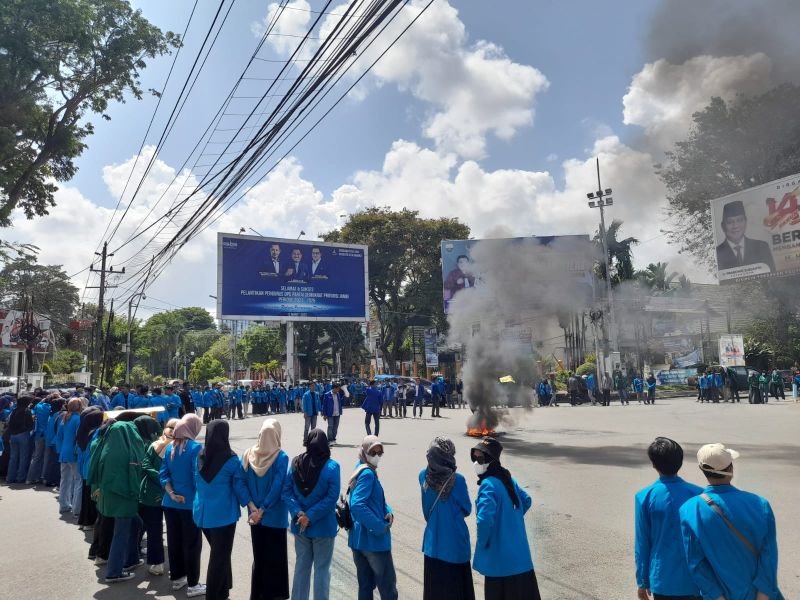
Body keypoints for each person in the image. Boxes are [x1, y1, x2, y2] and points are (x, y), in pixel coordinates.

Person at [679, 443, 783, 599]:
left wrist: (716, 595)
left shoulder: (689, 510)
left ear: (703, 471)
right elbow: (769, 553)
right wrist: (763, 592)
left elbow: (695, 562)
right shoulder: (760, 504)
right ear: (731, 469)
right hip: (759, 595)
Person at [471, 437, 540, 600]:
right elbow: (526, 500)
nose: (476, 462)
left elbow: (484, 520)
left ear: (490, 460)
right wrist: (510, 520)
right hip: (520, 560)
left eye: (480, 458)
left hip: (499, 563)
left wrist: (482, 543)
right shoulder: (507, 478)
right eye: (474, 458)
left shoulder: (488, 484)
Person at [634, 437, 702, 600]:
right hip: (696, 579)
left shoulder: (644, 497)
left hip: (662, 578)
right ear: (681, 461)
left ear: (653, 464)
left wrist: (642, 581)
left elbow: (642, 542)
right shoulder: (700, 495)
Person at [193, 420, 250, 600]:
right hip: (223, 516)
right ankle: (214, 595)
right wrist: (252, 505)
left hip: (201, 513)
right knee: (219, 557)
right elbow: (239, 486)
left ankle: (223, 590)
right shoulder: (231, 459)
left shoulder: (200, 455)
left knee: (220, 554)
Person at [283, 429, 340, 600]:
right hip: (323, 527)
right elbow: (331, 498)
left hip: (300, 525)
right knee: (322, 569)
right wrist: (310, 515)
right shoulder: (332, 466)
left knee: (302, 566)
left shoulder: (295, 464)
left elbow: (286, 493)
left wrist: (299, 513)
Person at [88, 420, 145, 583]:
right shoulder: (128, 452)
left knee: (137, 524)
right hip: (123, 497)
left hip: (108, 496)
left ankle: (132, 559)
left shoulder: (105, 448)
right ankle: (114, 571)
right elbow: (134, 475)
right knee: (121, 533)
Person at [419, 437, 474, 600]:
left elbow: (425, 509)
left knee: (434, 590)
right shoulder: (458, 480)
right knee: (456, 591)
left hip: (433, 543)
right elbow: (467, 509)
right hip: (454, 544)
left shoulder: (423, 476)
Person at [242, 418, 290, 600]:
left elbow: (240, 482)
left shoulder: (248, 455)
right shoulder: (280, 456)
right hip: (274, 515)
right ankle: (274, 594)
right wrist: (263, 509)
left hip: (254, 516)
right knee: (275, 556)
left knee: (259, 554)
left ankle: (258, 594)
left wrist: (252, 507)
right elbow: (277, 486)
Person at [160, 413, 205, 596]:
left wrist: (171, 493)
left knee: (174, 540)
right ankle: (193, 584)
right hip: (189, 503)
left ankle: (178, 578)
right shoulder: (196, 448)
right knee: (192, 543)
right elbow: (197, 477)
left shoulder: (170, 446)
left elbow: (163, 475)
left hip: (170, 502)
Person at [348, 436, 397, 600]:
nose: (377, 455)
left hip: (358, 540)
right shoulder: (368, 474)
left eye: (380, 452)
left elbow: (375, 500)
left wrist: (387, 511)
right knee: (388, 589)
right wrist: (379, 526)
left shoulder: (360, 468)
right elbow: (356, 505)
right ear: (364, 451)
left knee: (365, 587)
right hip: (373, 543)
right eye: (373, 452)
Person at [139, 417, 175, 576]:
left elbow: (146, 466)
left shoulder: (171, 448)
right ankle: (158, 562)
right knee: (156, 530)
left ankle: (162, 563)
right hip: (168, 494)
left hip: (162, 495)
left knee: (161, 531)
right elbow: (145, 465)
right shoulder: (157, 446)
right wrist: (164, 479)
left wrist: (160, 478)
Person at [715, 200, 775, 272]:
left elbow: (773, 277)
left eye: (740, 220)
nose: (735, 226)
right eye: (730, 222)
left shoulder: (762, 247)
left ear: (745, 222)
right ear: (723, 226)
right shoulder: (717, 253)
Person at [57, 398, 83, 514]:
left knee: (65, 480)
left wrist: (60, 450)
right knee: (78, 481)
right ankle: (77, 509)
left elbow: (59, 437)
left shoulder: (64, 418)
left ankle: (63, 505)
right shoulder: (78, 419)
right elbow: (78, 438)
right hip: (73, 453)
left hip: (64, 452)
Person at [6, 395, 34, 483]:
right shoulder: (27, 410)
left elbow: (9, 423)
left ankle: (10, 477)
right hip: (23, 434)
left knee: (13, 457)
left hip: (13, 435)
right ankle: (20, 477)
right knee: (23, 457)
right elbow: (30, 424)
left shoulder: (14, 411)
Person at [25, 393, 52, 484]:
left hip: (38, 434)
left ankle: (29, 478)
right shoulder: (50, 408)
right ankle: (42, 477)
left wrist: (43, 400)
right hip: (48, 435)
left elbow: (38, 405)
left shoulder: (38, 406)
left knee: (36, 457)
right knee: (46, 457)